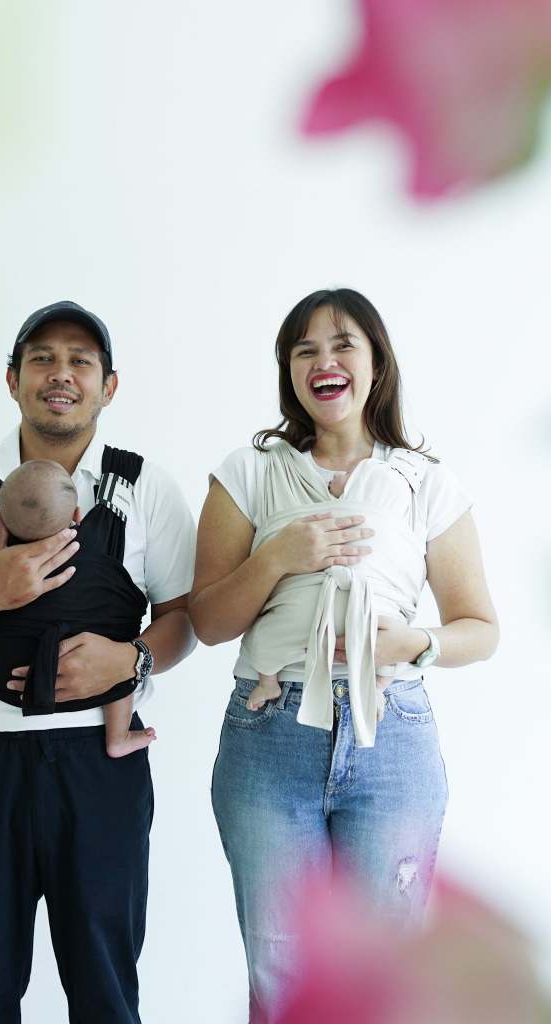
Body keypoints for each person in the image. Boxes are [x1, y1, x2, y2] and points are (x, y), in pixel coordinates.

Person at [189, 288, 499, 1020]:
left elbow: (480, 627)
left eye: (342, 345)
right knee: (281, 973)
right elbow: (206, 621)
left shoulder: (425, 480)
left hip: (391, 737)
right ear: (289, 372)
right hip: (269, 738)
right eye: (305, 350)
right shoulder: (249, 472)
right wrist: (279, 557)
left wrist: (413, 644)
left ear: (376, 363)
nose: (323, 361)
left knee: (382, 976)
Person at [0, 300, 196, 1024]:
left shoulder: (146, 487)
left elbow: (185, 620)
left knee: (105, 990)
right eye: (42, 359)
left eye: (80, 361)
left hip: (101, 767)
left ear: (108, 386)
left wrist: (129, 662)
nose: (61, 374)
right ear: (13, 379)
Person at [0, 458, 157, 767]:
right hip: (91, 672)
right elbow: (125, 607)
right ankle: (119, 738)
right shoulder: (98, 555)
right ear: (77, 516)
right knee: (120, 678)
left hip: (5, 670)